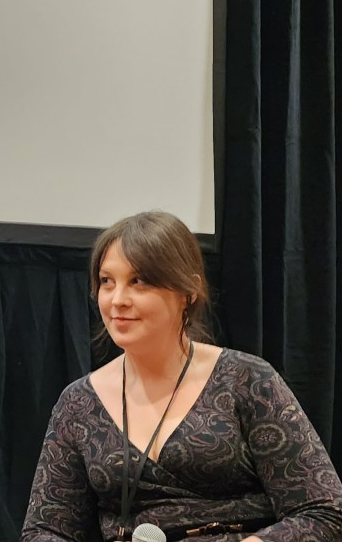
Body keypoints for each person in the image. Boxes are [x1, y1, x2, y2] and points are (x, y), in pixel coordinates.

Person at [21, 211, 342, 542]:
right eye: (107, 281)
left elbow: (324, 512)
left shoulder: (247, 379)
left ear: (188, 290)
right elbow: (45, 530)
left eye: (139, 281)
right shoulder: (78, 403)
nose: (117, 300)